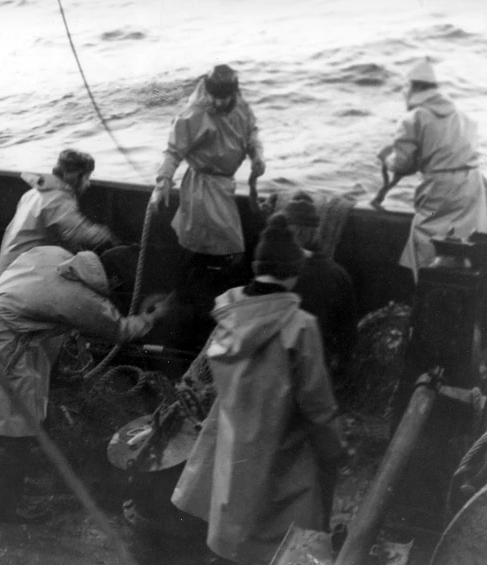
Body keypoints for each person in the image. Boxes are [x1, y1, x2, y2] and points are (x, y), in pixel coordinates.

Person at [170, 214, 345, 565]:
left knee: (231, 523)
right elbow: (317, 404)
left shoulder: (228, 318)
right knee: (283, 531)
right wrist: (334, 447)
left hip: (233, 443)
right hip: (283, 450)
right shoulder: (299, 327)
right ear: (293, 272)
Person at [0, 245, 171, 524]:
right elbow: (119, 330)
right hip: (3, 338)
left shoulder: (56, 254)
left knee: (23, 416)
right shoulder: (83, 300)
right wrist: (150, 316)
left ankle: (15, 479)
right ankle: (6, 511)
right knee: (16, 428)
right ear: (113, 282)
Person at [372, 58, 487, 281]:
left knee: (427, 241)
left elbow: (402, 164)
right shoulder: (462, 116)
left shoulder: (414, 118)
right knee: (467, 243)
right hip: (472, 186)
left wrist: (387, 158)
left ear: (414, 87)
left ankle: (430, 296)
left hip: (440, 190)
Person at [149, 64, 266, 328]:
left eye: (224, 97)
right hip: (202, 186)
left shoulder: (241, 107)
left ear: (234, 93)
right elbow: (172, 151)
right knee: (221, 249)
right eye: (215, 96)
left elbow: (252, 133)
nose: (219, 102)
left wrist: (257, 154)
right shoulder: (193, 113)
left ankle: (209, 303)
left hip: (225, 186)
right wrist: (162, 183)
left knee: (221, 249)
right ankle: (196, 307)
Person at [0, 149, 118, 278]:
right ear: (71, 176)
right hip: (20, 275)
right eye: (86, 178)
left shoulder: (33, 194)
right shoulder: (57, 199)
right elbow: (78, 232)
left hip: (8, 270)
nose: (88, 184)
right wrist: (106, 235)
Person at [284, 191, 358, 384]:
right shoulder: (338, 274)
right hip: (315, 377)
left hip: (271, 373)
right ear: (314, 231)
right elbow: (347, 339)